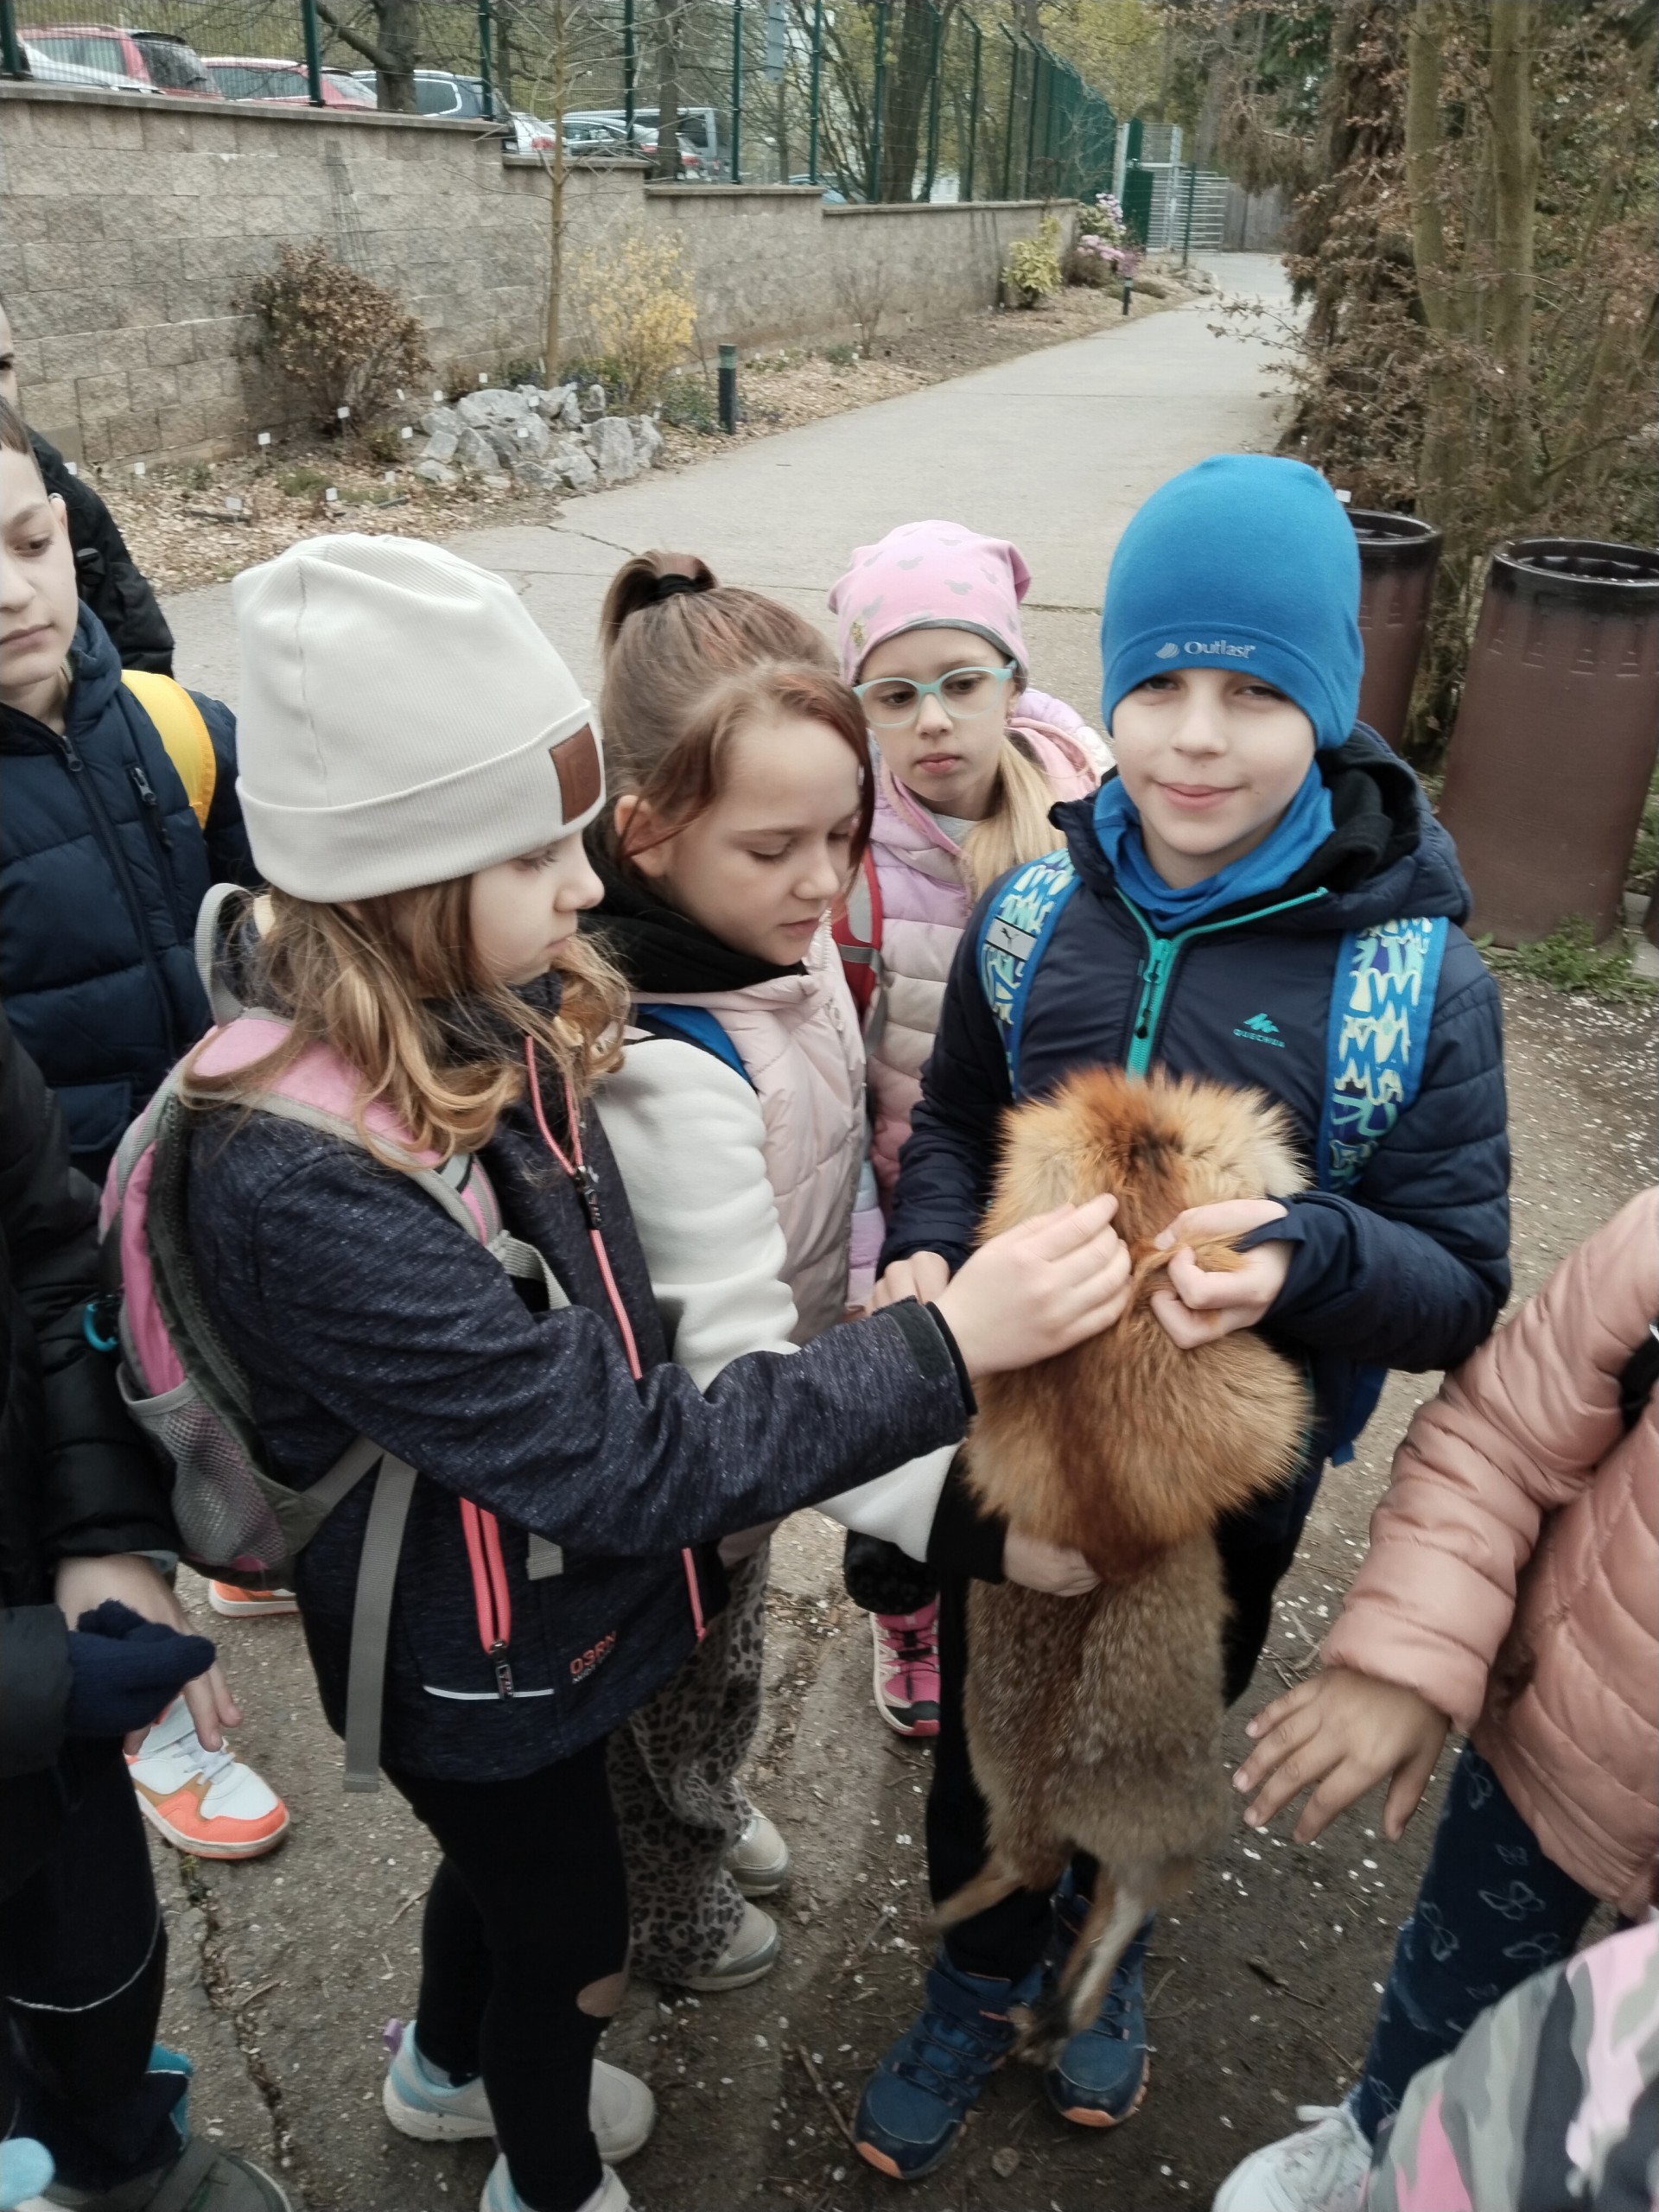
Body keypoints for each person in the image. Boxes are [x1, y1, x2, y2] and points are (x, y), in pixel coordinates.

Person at [181, 531, 1133, 2212]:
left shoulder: (470, 1001)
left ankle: (444, 2071)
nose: (584, 885)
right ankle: (544, 2174)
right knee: (571, 1929)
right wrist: (948, 1347)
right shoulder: (305, 1175)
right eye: (535, 851)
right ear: (398, 874)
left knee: (506, 1887)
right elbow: (615, 1457)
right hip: (468, 1649)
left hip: (528, 1598)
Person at [850, 453, 1510, 2181]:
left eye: (1257, 694)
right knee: (992, 1727)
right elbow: (951, 1128)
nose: (1197, 740)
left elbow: (1461, 1278)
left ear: (1331, 701)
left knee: (1154, 1728)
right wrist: (929, 1248)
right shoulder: (1031, 916)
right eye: (1158, 686)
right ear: (1106, 688)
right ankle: (977, 1971)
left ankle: (1109, 1947)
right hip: (1014, 1434)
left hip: (1231, 1488)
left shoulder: (1409, 976)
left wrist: (1305, 1254)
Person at [1214, 1187, 1659, 2212]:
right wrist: (1407, 1656)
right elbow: (1500, 1438)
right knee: (1447, 1995)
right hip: (1552, 1748)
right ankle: (1384, 2136)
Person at [0, 395, 291, 1856]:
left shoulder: (170, 726)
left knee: (219, 1386)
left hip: (202, 1170)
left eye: (27, 542)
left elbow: (264, 921)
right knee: (92, 1456)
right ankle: (148, 1705)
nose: (10, 592)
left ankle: (234, 1538)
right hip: (52, 1217)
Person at [0, 1004, 289, 2211]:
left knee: (93, 1947)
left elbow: (48, 1254)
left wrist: (101, 1532)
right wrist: (35, 1677)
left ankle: (114, 2141)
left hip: (32, 1612)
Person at [827, 519, 1105, 1741]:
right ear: (865, 712)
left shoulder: (1100, 820)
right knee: (912, 1431)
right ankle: (905, 1608)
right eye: (895, 695)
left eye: (960, 682)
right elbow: (830, 1081)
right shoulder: (846, 855)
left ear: (1013, 680)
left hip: (1052, 1211)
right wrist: (867, 1255)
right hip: (911, 1217)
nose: (932, 719)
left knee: (1027, 1432)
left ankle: (1009, 1586)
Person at [0, 297, 175, 674]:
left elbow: (134, 638)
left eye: (1, 367)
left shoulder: (57, 486)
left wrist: (132, 707)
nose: (14, 594)